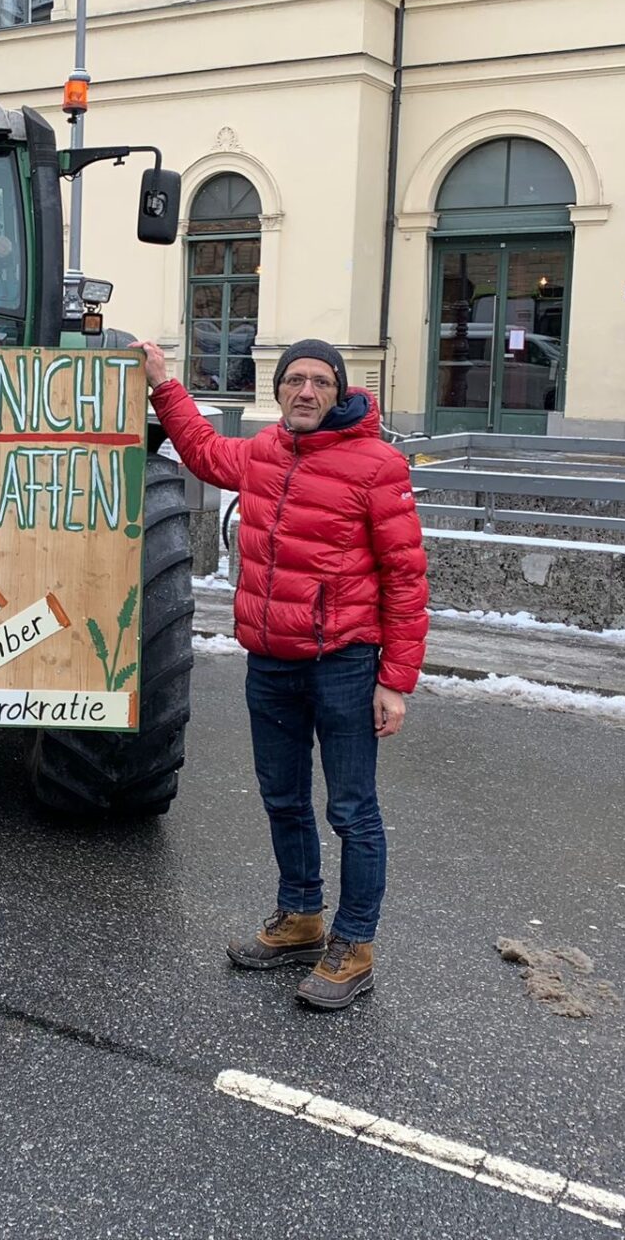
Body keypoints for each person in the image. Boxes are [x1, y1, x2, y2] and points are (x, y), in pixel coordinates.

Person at [135, 337, 429, 1011]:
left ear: (339, 392)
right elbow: (207, 453)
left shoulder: (376, 465)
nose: (304, 391)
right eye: (293, 379)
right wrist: (163, 385)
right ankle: (300, 919)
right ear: (278, 390)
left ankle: (354, 947)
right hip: (271, 660)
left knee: (352, 810)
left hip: (346, 664)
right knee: (283, 797)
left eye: (319, 382)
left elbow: (407, 578)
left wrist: (396, 680)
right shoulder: (268, 452)